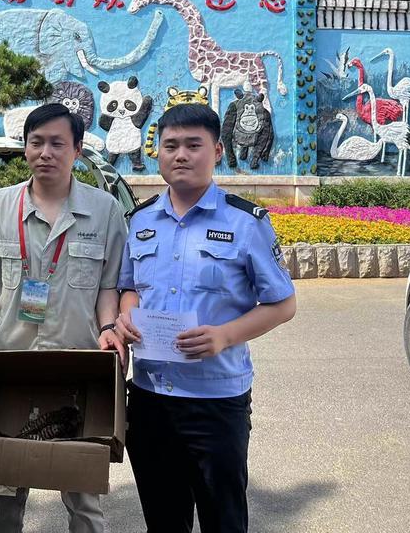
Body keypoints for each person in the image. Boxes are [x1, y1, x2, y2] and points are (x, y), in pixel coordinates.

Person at [115, 102, 297, 533]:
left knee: (224, 521)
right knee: (163, 521)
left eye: (193, 145)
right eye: (170, 145)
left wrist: (224, 336)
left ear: (217, 151)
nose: (181, 155)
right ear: (157, 153)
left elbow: (283, 304)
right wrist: (126, 317)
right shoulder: (139, 221)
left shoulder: (246, 222)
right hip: (150, 398)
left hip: (216, 402)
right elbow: (128, 287)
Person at [0, 102, 128, 533]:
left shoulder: (105, 211)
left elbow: (109, 286)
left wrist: (109, 328)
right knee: (4, 495)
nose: (45, 152)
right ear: (25, 147)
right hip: (7, 366)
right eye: (36, 142)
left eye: (57, 143)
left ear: (78, 150)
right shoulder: (0, 206)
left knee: (84, 498)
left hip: (78, 367)